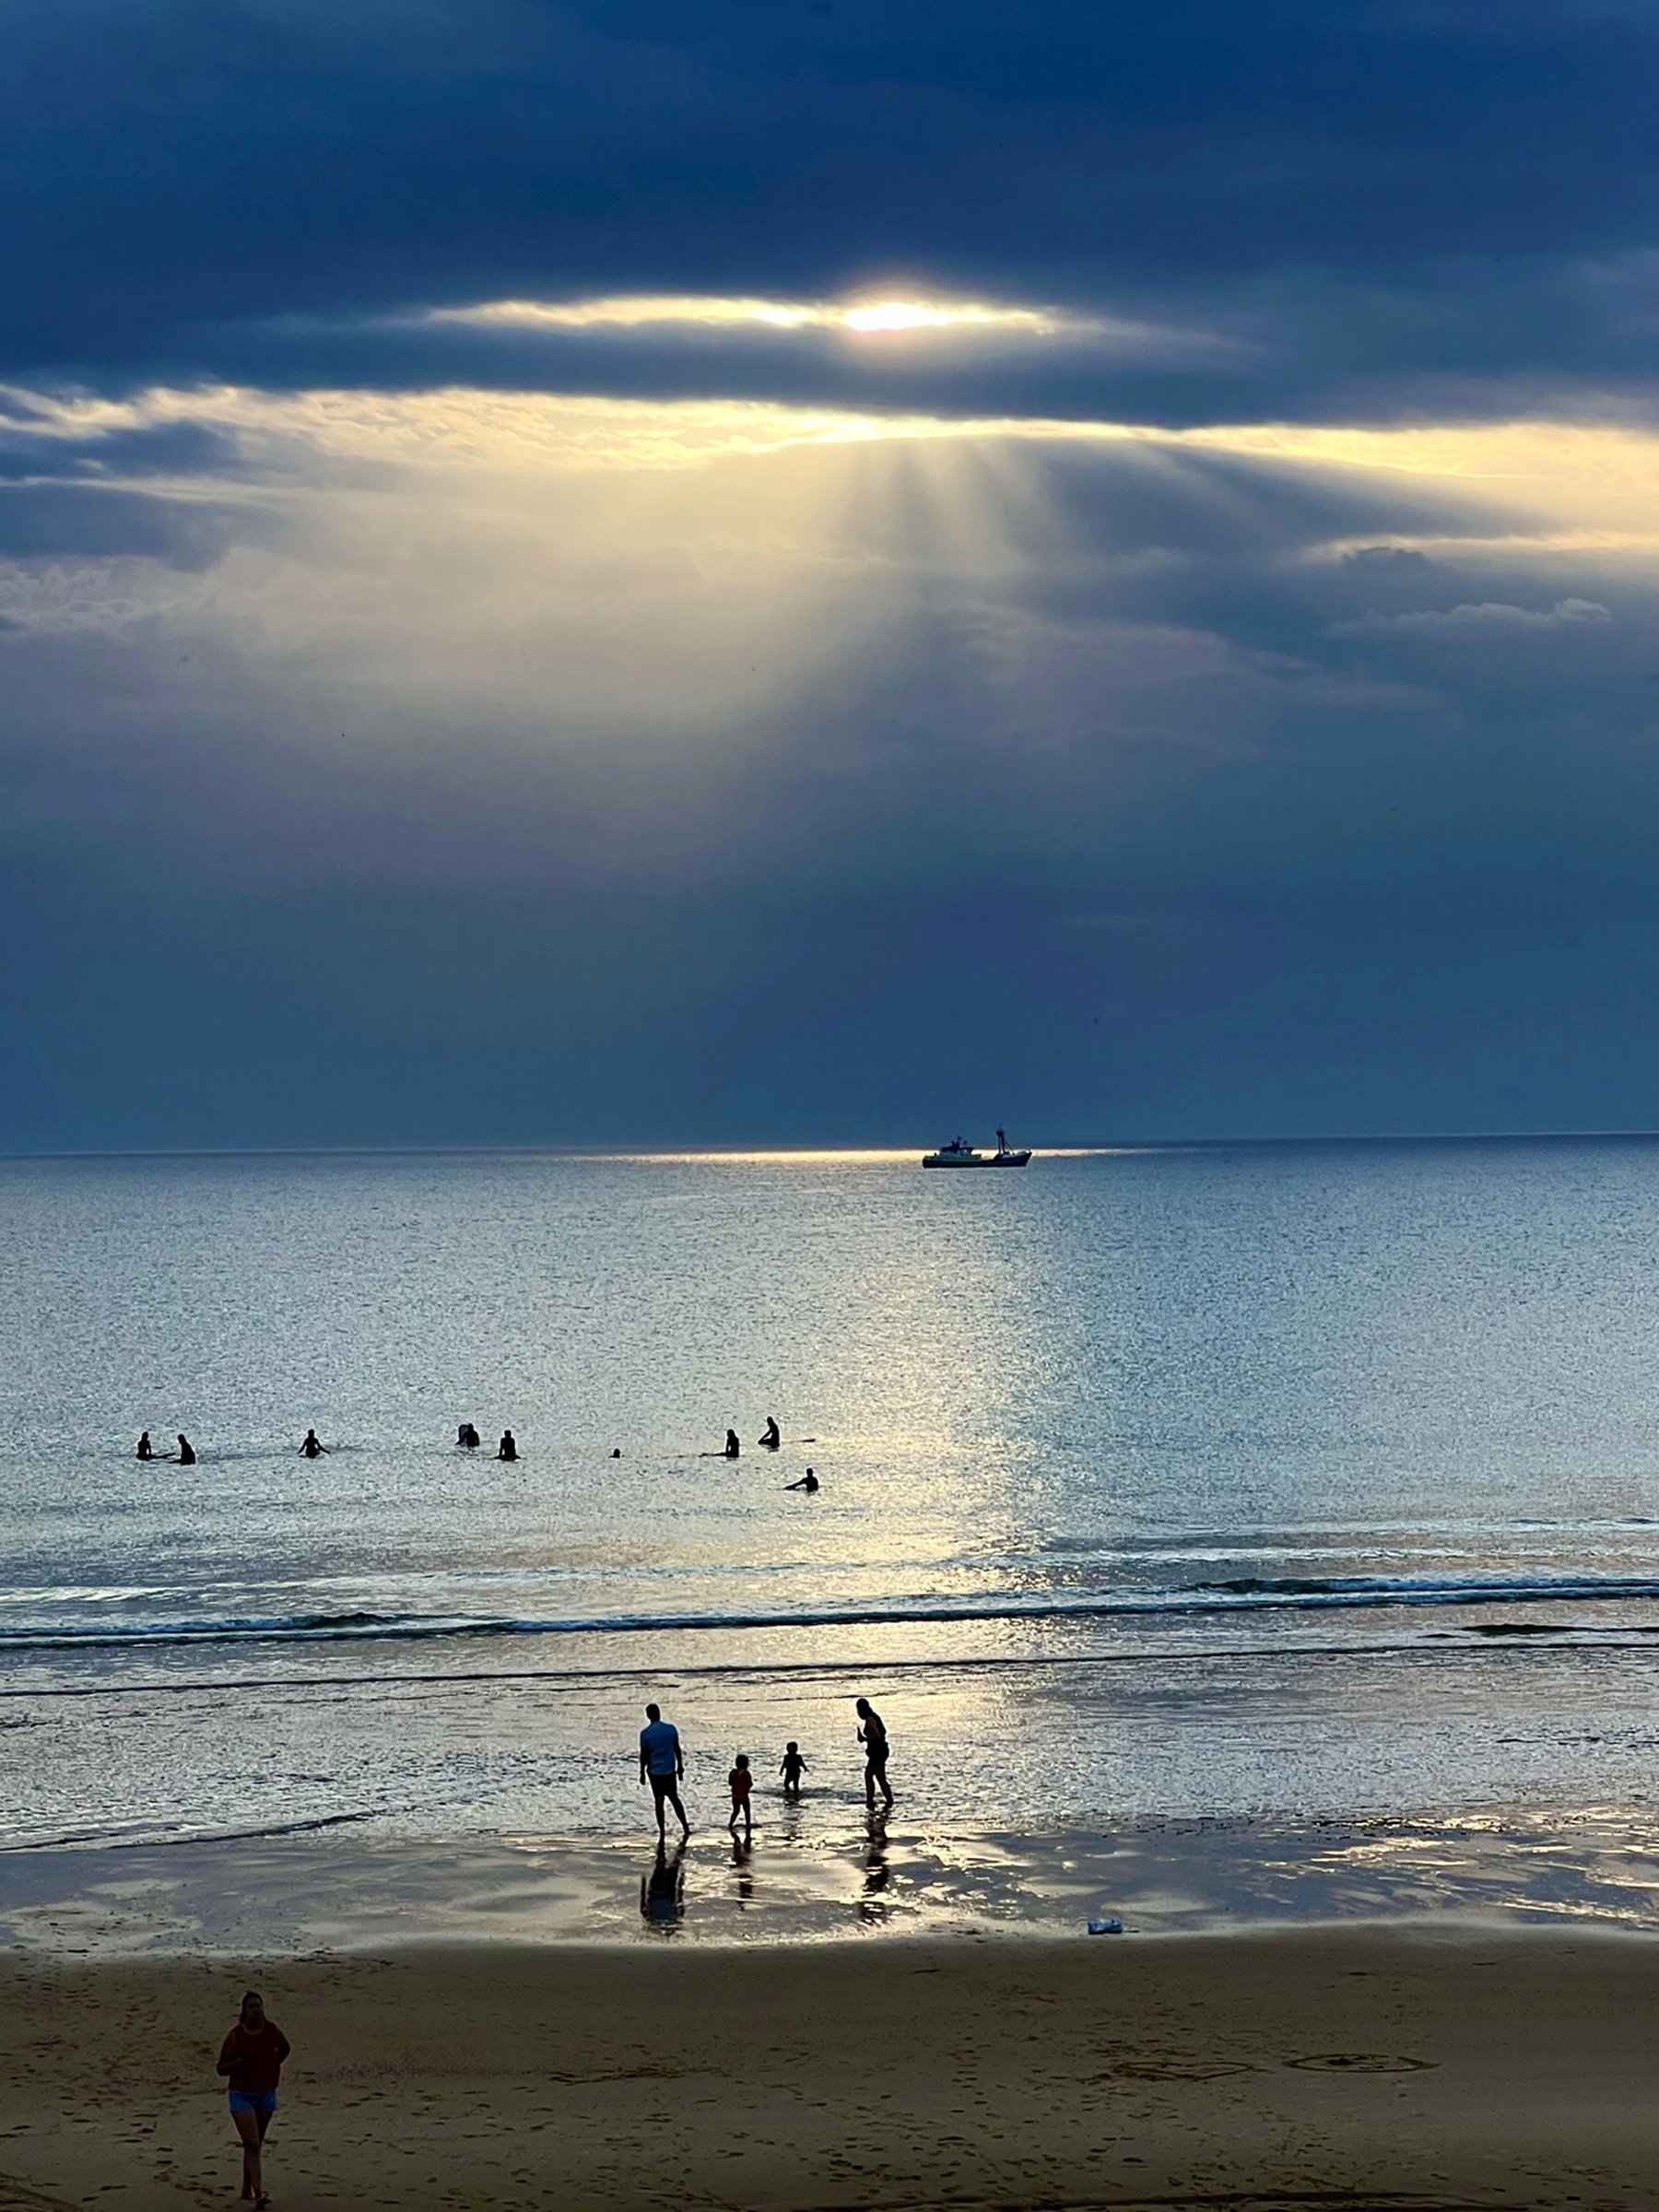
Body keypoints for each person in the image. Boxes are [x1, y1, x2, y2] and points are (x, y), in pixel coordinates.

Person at [216, 1988, 289, 2208]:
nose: (256, 2010)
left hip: (266, 2093)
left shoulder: (272, 2030)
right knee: (252, 2142)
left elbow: (285, 2048)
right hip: (242, 2096)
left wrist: (273, 2064)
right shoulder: (236, 2035)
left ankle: (246, 2189)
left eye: (259, 2006)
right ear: (244, 2011)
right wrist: (238, 2064)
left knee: (255, 2145)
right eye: (251, 2007)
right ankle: (258, 2193)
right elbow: (221, 2068)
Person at [639, 1701, 690, 1841]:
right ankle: (685, 1827)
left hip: (654, 1771)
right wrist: (680, 1766)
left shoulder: (645, 1734)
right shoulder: (670, 1729)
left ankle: (662, 1831)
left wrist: (642, 1772)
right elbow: (677, 1749)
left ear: (648, 1716)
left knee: (659, 1801)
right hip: (669, 1770)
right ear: (659, 1713)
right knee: (674, 1799)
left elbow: (644, 1755)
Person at [855, 1696, 893, 1809]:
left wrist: (864, 1739)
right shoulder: (874, 1717)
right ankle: (871, 1800)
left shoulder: (870, 1720)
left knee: (880, 1777)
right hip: (879, 1751)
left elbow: (877, 1735)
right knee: (869, 1775)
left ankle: (888, 1801)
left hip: (878, 1752)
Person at [727, 1752, 754, 1841]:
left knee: (735, 1811)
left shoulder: (733, 1773)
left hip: (735, 1796)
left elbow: (730, 1783)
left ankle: (730, 1824)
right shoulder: (746, 1773)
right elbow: (750, 1784)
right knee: (747, 1811)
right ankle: (748, 1824)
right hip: (744, 1796)